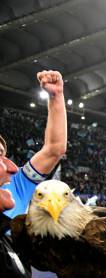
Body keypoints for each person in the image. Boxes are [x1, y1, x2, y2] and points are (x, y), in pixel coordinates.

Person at [1, 70, 67, 219]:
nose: (9, 166)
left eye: (2, 154)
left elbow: (54, 150)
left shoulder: (17, 183)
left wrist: (56, 96)